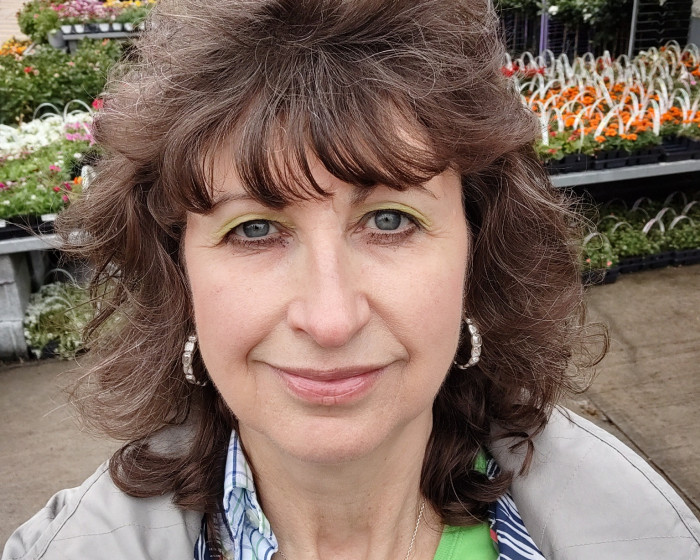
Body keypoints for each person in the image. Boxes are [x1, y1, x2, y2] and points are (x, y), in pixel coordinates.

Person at [4, 1, 700, 559]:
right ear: (177, 274)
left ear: (477, 254)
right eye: (254, 229)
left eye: (390, 221)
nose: (330, 319)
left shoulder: (645, 534)